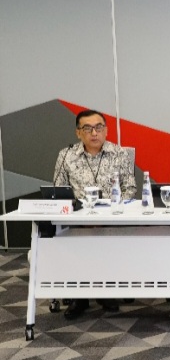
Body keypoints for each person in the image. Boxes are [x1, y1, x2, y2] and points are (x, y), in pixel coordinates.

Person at [54, 109, 136, 319]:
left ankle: (105, 291)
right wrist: (78, 215)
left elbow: (130, 189)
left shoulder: (119, 154)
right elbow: (59, 191)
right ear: (78, 132)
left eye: (99, 127)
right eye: (87, 128)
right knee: (75, 241)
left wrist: (110, 212)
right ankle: (79, 297)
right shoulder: (66, 156)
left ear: (106, 130)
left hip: (112, 218)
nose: (94, 133)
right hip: (77, 219)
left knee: (105, 238)